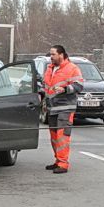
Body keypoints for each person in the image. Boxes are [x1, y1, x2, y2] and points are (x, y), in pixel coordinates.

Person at [42, 45, 83, 174]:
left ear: (61, 55)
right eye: (50, 54)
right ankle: (58, 160)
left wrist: (65, 89)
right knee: (54, 136)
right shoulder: (50, 68)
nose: (51, 57)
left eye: (53, 54)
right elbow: (46, 87)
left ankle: (63, 164)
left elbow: (79, 86)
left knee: (62, 136)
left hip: (65, 108)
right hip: (52, 108)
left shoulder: (72, 68)